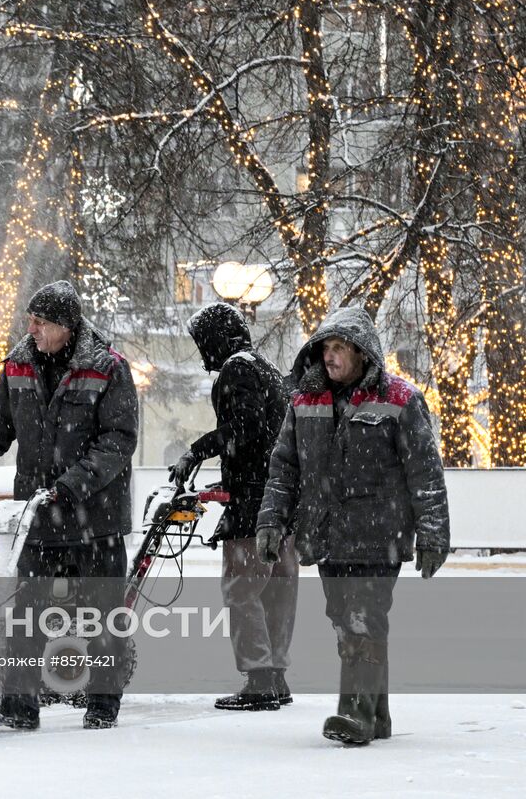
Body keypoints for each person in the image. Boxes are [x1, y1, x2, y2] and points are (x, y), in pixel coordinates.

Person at [0, 280, 138, 730]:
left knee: (102, 615)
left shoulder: (107, 368)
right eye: (30, 319)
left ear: (66, 326)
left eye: (40, 322)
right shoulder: (18, 367)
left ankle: (103, 704)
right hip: (37, 517)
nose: (30, 328)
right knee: (26, 614)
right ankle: (19, 706)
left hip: (96, 517)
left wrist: (72, 484)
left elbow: (118, 441)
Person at [256, 306, 450, 745]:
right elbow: (284, 468)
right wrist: (271, 521)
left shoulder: (400, 398)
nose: (330, 356)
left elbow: (425, 470)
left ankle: (355, 713)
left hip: (380, 533)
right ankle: (377, 714)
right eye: (326, 347)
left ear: (363, 354)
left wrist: (434, 532)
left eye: (340, 348)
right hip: (326, 535)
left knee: (363, 619)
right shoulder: (303, 402)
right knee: (348, 623)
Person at [170, 302, 296, 711]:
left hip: (253, 505)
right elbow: (266, 436)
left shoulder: (237, 368)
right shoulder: (266, 368)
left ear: (215, 339)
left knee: (242, 590)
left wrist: (196, 451)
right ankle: (275, 676)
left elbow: (244, 428)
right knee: (277, 590)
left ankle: (258, 679)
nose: (202, 352)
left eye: (201, 342)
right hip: (280, 500)